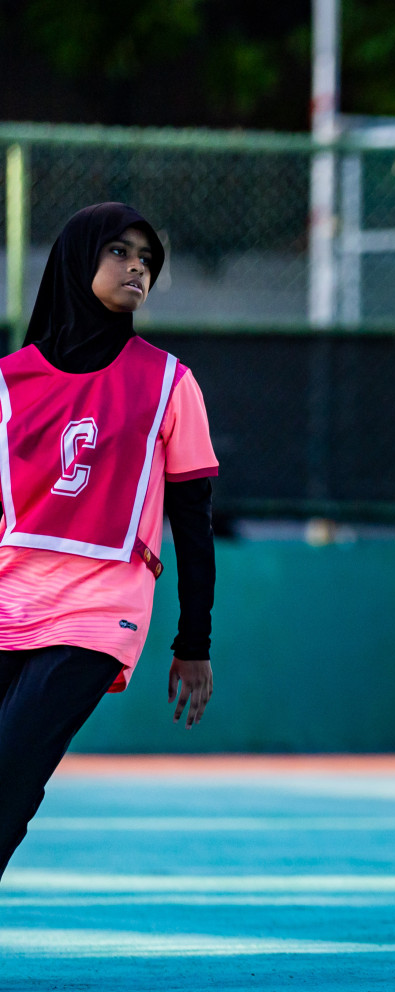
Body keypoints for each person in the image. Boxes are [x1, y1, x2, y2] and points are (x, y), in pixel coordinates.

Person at [0, 203, 219, 877]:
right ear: (77, 260)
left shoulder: (169, 384)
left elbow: (193, 521)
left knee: (13, 765)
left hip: (97, 615)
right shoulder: (9, 384)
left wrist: (193, 645)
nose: (137, 269)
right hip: (10, 602)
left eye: (147, 260)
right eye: (120, 253)